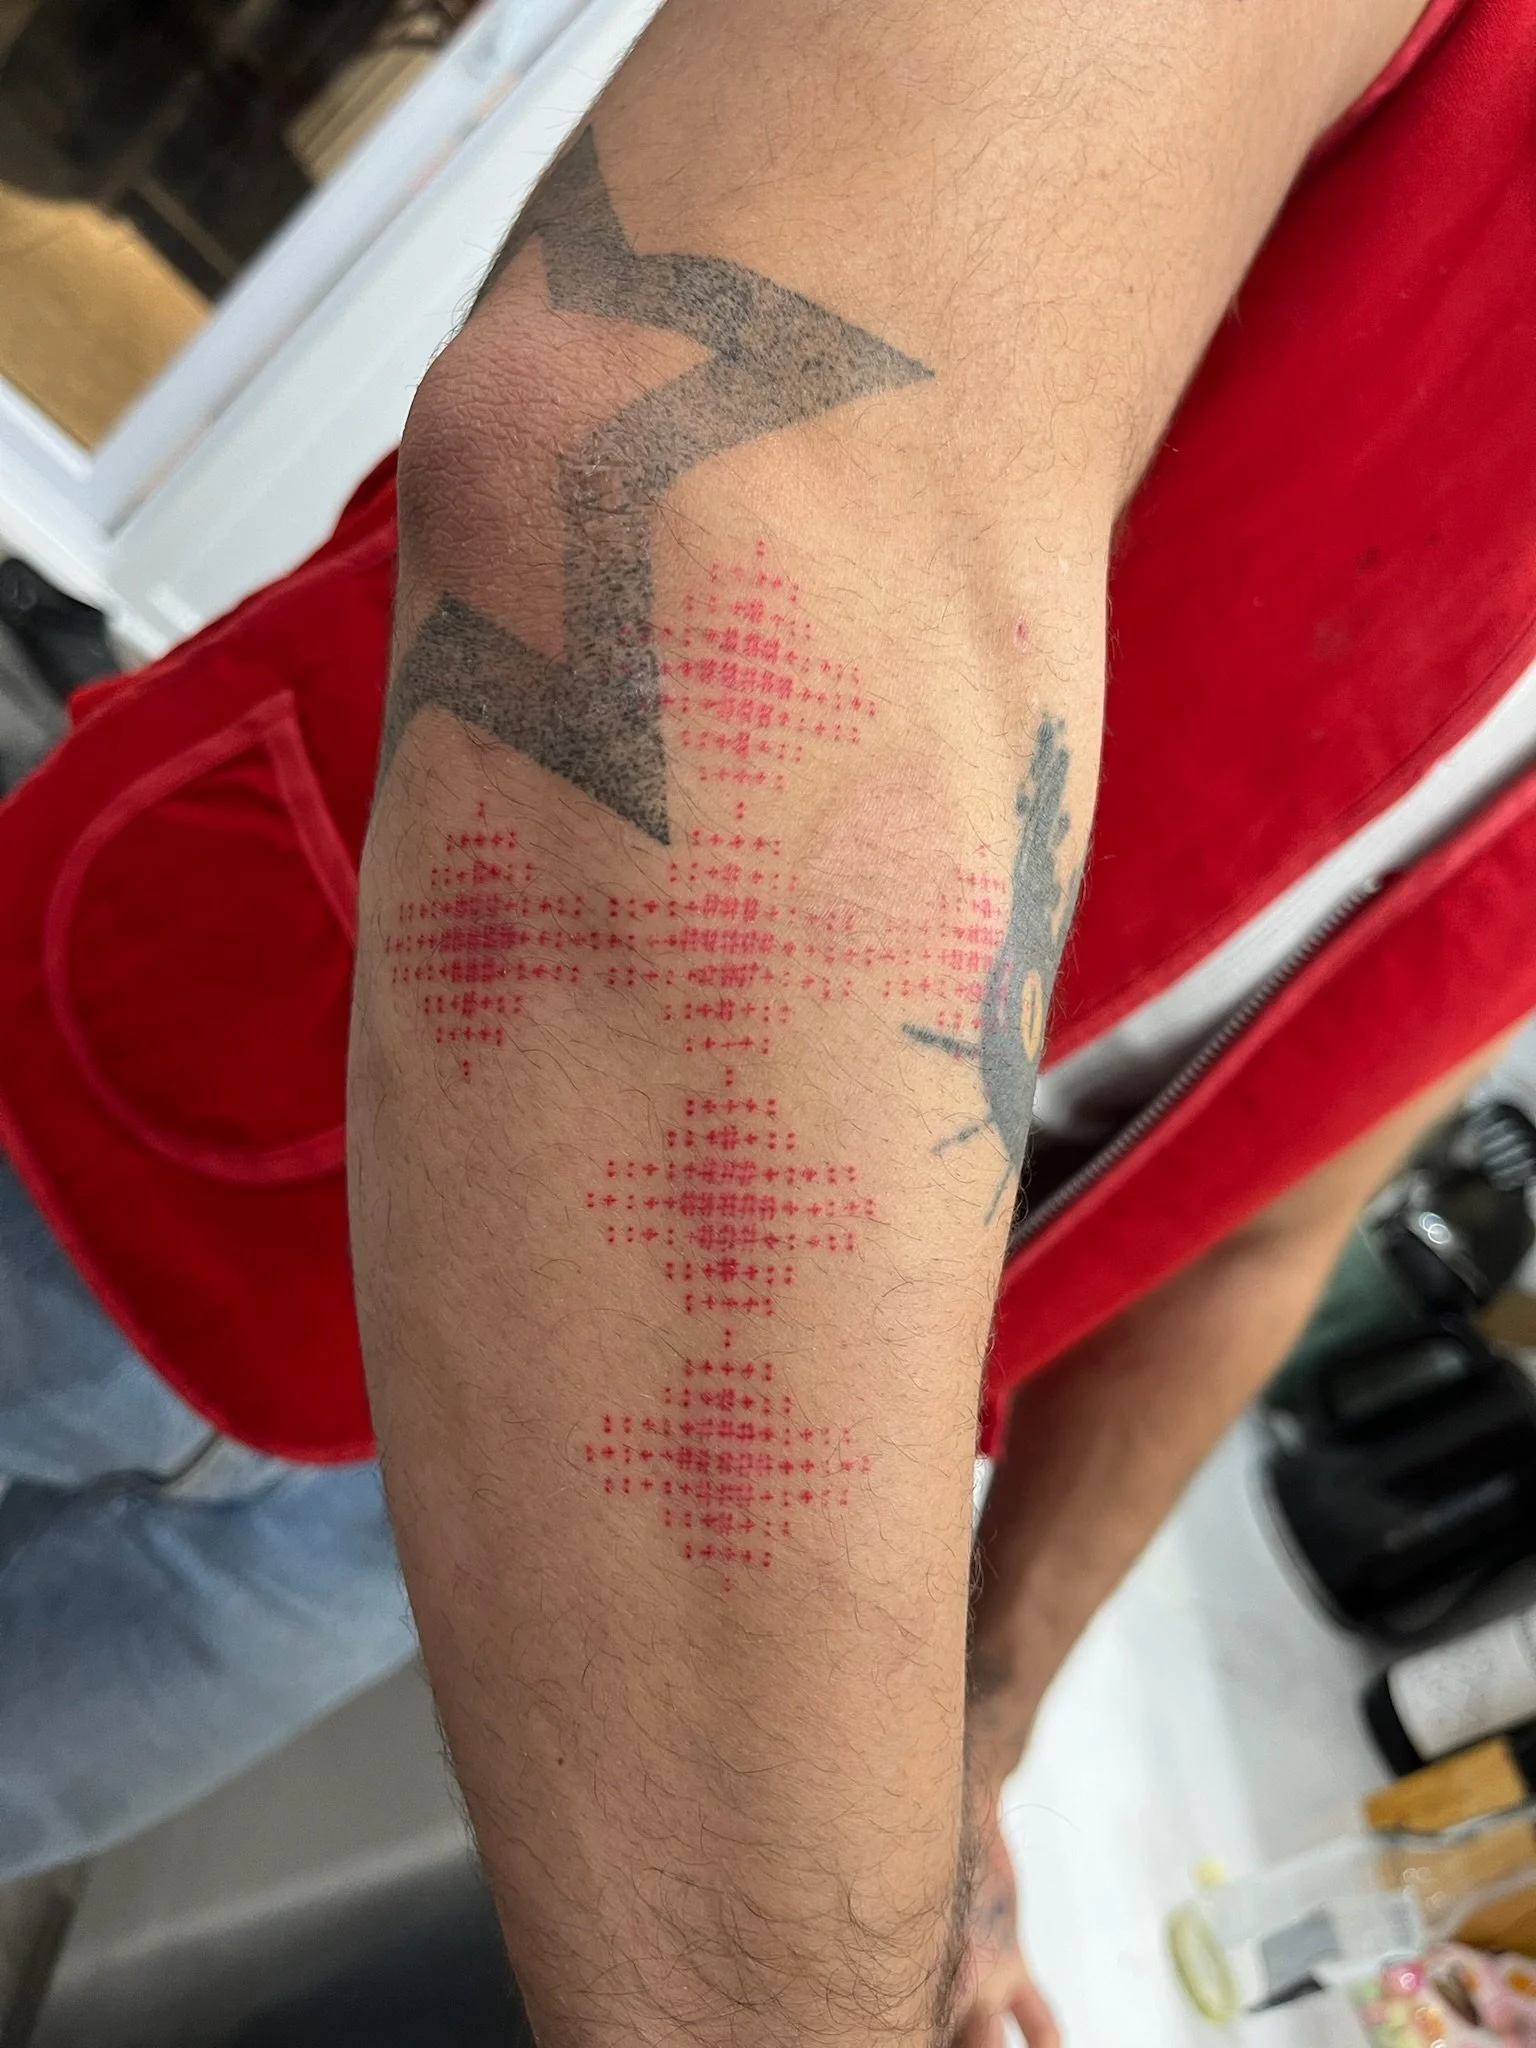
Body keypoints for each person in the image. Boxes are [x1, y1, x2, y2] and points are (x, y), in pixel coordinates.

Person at [2, 2, 1534, 2044]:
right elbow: (726, 523)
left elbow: (1272, 1212)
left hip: (542, 1515)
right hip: (220, 1067)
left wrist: (976, 1719)